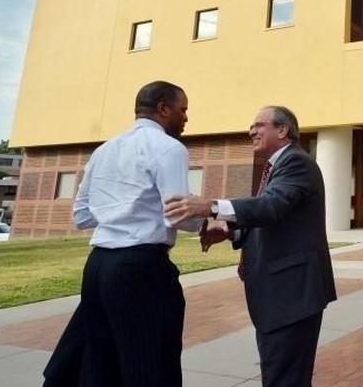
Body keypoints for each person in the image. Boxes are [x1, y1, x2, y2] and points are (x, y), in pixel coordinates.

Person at [164, 105, 336, 387]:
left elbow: (270, 208)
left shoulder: (296, 163)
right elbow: (274, 221)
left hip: (291, 294)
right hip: (282, 296)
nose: (251, 131)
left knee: (284, 379)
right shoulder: (277, 166)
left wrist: (210, 206)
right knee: (279, 374)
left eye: (259, 125)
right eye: (251, 126)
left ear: (282, 130)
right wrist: (230, 234)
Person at [46, 80, 202, 387]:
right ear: (162, 108)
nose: (186, 118)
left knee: (100, 361)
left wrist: (117, 214)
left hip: (97, 266)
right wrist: (203, 221)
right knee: (151, 362)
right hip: (140, 266)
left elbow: (82, 215)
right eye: (182, 110)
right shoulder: (170, 148)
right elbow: (178, 213)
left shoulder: (104, 150)